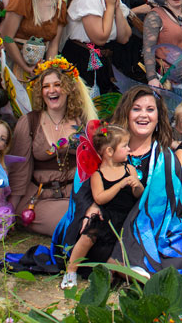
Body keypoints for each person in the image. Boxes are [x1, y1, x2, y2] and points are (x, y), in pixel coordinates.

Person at [107, 86, 182, 291]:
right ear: (126, 113)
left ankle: (131, 272)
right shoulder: (110, 149)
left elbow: (178, 203)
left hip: (156, 230)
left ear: (158, 117)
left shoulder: (165, 158)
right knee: (98, 239)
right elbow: (89, 190)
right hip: (113, 226)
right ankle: (174, 281)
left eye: (150, 109)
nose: (144, 115)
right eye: (137, 109)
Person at [8, 57, 93, 237]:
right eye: (46, 86)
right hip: (42, 199)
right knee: (72, 223)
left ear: (68, 88)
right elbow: (19, 171)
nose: (52, 90)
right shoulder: (29, 122)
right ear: (40, 91)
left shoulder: (82, 121)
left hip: (77, 195)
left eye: (57, 85)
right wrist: (9, 211)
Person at [60, 123, 143, 289]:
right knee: (88, 236)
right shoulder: (97, 175)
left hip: (125, 218)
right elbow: (99, 198)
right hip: (106, 216)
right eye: (125, 146)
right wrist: (119, 185)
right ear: (110, 152)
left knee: (118, 250)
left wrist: (137, 186)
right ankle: (71, 270)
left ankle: (118, 273)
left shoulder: (130, 169)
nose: (129, 149)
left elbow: (138, 195)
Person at [1, 0, 68, 115]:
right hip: (14, 62)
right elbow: (7, 38)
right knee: (18, 111)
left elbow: (53, 46)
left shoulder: (60, 5)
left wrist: (49, 72)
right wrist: (24, 66)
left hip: (40, 66)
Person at [64, 0, 131, 94]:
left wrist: (116, 7)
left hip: (103, 60)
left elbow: (124, 37)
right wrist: (111, 6)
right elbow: (99, 38)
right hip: (82, 59)